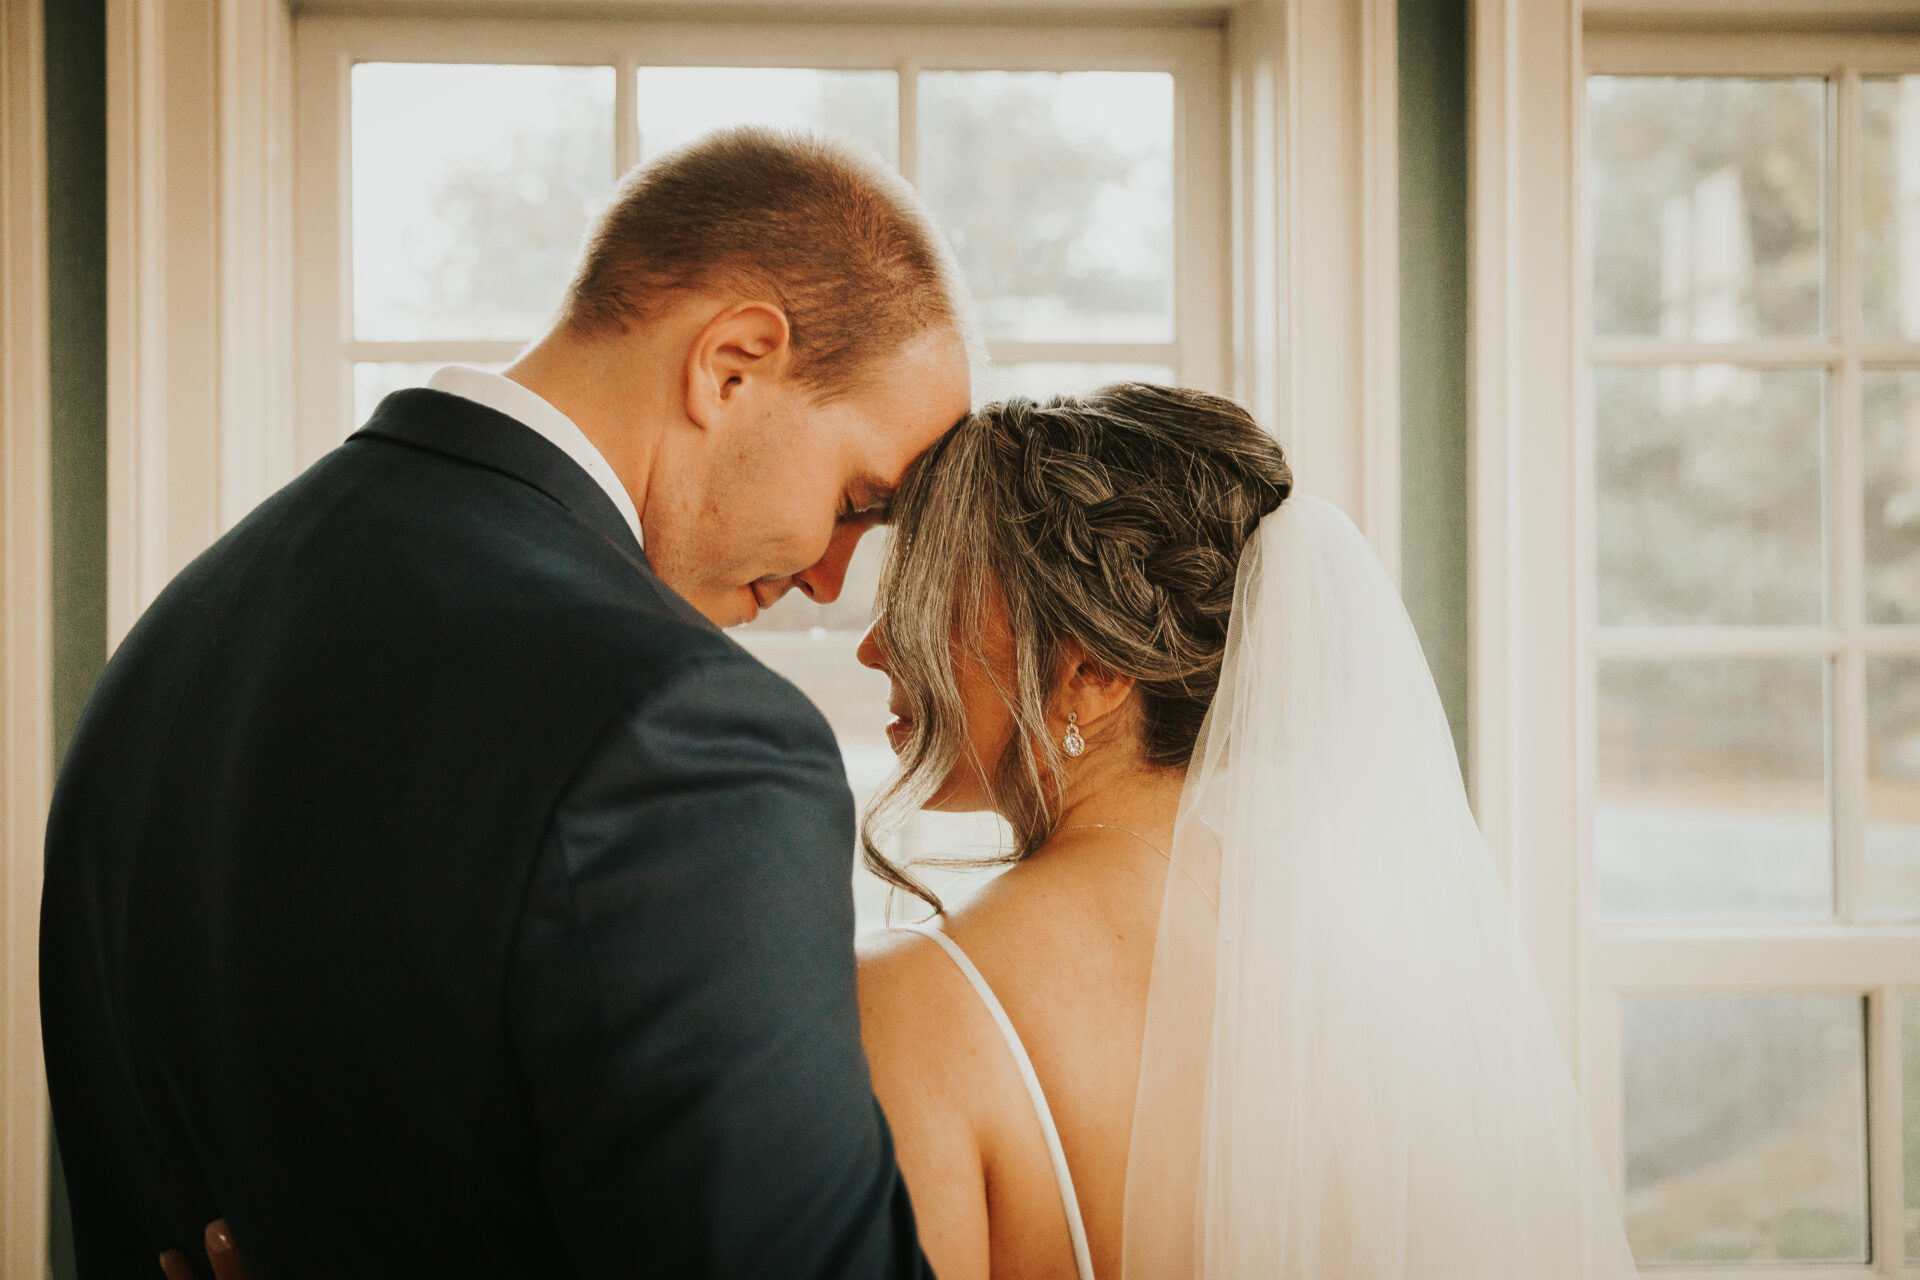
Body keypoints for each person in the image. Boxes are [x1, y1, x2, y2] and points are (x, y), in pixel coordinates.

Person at [40, 127, 972, 1278]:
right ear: (731, 362)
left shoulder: (169, 647)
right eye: (856, 498)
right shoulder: (690, 731)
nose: (833, 576)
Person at [852, 384, 1641, 1278]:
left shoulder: (911, 1005)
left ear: (1095, 666)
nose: (874, 645)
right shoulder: (1367, 957)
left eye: (929, 596)